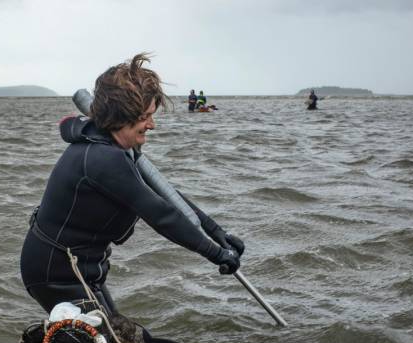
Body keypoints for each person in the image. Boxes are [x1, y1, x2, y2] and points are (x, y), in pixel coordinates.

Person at [19, 53, 244, 316]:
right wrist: (216, 254)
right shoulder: (103, 159)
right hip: (55, 274)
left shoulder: (112, 146)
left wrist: (216, 232)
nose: (152, 124)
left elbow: (166, 195)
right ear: (123, 115)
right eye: (146, 116)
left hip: (81, 270)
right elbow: (160, 214)